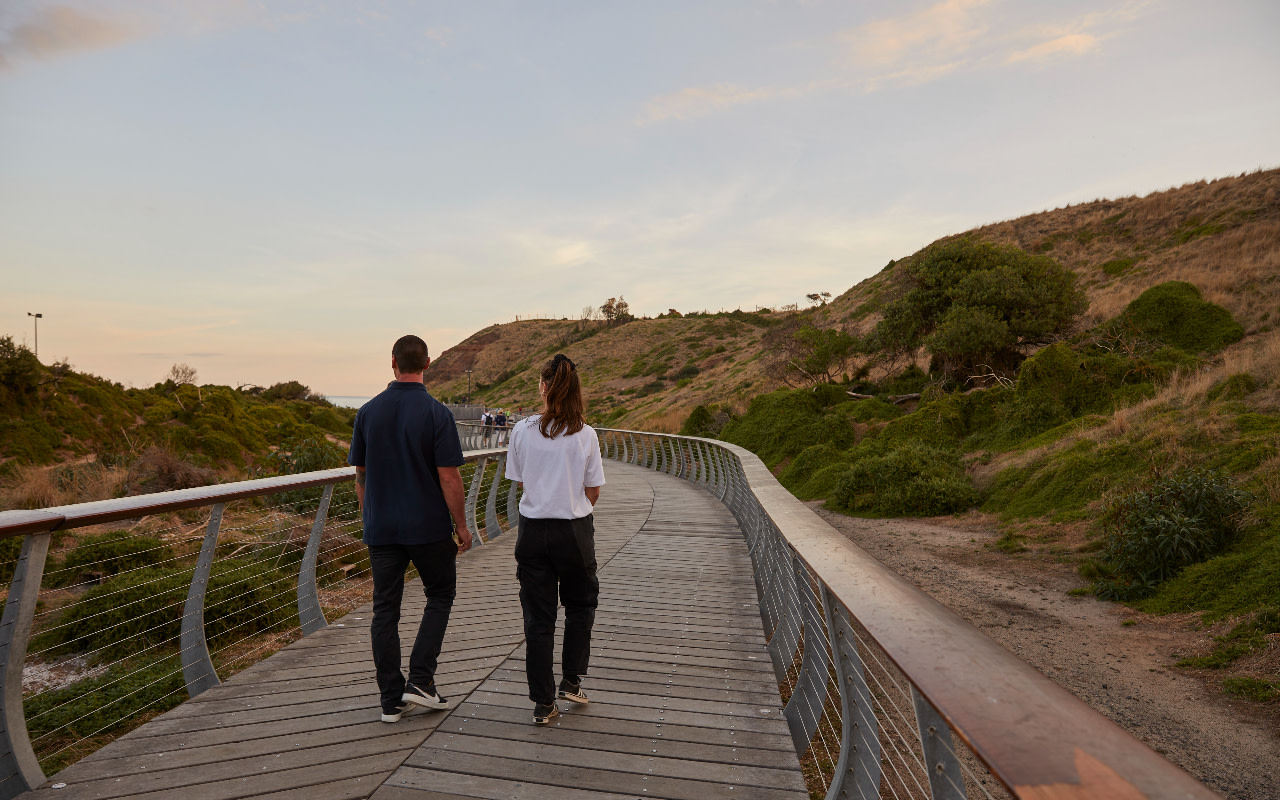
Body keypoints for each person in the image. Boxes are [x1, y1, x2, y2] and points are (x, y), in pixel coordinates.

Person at [348, 334, 473, 723]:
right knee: (440, 595)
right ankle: (421, 680)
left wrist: (370, 517)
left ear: (393, 362)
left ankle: (390, 699)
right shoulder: (437, 414)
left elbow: (361, 475)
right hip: (428, 528)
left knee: (385, 609)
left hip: (382, 528)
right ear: (428, 363)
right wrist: (462, 526)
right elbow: (449, 478)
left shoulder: (368, 412)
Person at [505, 354, 605, 725]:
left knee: (538, 619)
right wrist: (573, 502)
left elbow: (520, 480)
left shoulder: (521, 430)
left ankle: (543, 703)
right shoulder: (586, 433)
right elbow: (593, 489)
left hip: (533, 532)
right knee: (581, 606)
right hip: (573, 531)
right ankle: (570, 680)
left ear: (543, 387)